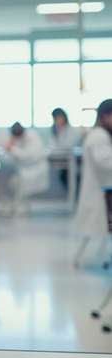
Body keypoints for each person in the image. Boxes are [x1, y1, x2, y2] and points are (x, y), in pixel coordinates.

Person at [73, 99, 112, 254]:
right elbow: (105, 162)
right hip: (101, 192)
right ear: (104, 116)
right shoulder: (98, 136)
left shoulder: (101, 134)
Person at [4, 122, 49, 212]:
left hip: (35, 168)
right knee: (13, 183)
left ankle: (20, 207)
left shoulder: (32, 136)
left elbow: (29, 156)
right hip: (25, 169)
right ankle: (18, 206)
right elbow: (9, 157)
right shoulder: (16, 138)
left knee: (20, 184)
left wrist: (12, 149)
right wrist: (10, 148)